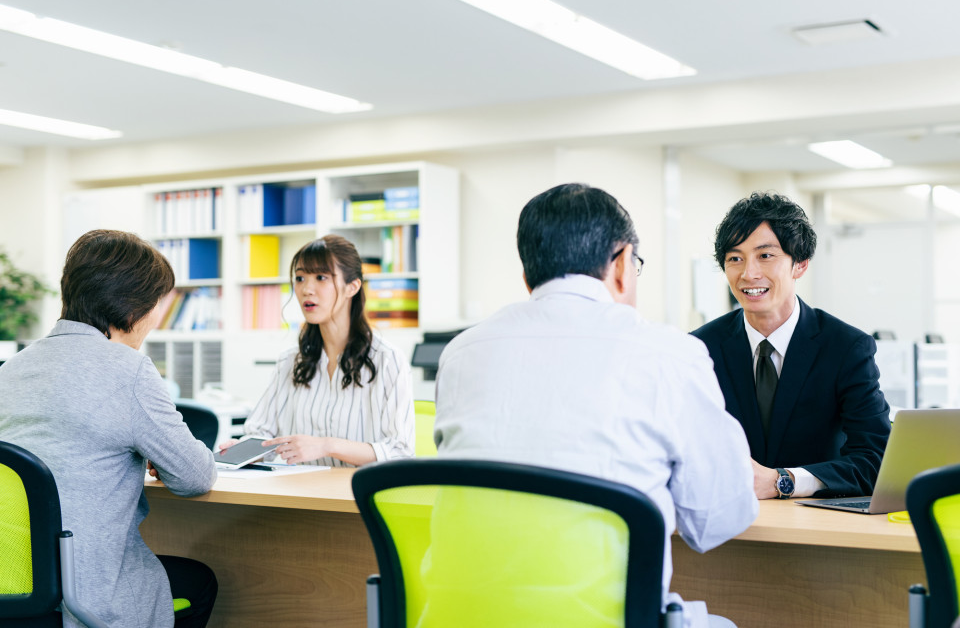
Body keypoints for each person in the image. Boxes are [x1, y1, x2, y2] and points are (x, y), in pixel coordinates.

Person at [433, 183, 757, 628]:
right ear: (623, 264)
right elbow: (718, 518)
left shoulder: (462, 352)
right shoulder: (668, 352)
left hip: (462, 618)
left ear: (529, 277)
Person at [0, 229, 218, 628]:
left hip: (13, 590)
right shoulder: (129, 371)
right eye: (157, 306)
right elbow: (195, 476)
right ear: (133, 308)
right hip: (86, 598)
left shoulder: (10, 370)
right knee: (200, 581)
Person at [691, 192, 890, 500]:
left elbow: (874, 461)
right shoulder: (699, 348)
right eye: (735, 258)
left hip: (818, 529)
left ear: (800, 264)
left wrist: (783, 481)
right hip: (723, 523)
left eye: (765, 256)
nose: (748, 273)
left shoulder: (846, 348)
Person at [240, 235, 414, 466]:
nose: (306, 289)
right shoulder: (290, 361)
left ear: (352, 287)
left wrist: (327, 445)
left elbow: (400, 451)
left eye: (321, 277)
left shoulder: (387, 360)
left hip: (355, 496)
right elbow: (261, 432)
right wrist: (243, 450)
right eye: (300, 278)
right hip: (301, 494)